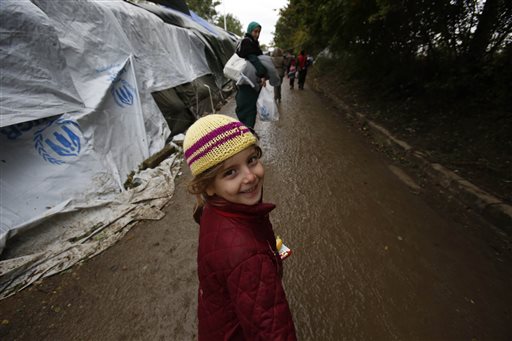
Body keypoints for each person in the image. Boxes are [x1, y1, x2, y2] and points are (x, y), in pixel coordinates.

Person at [184, 114, 297, 340]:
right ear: (208, 187)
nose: (250, 177)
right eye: (230, 172)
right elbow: (272, 331)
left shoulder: (216, 209)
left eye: (252, 160)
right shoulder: (249, 258)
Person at [235, 22, 268, 129]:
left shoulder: (253, 43)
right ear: (250, 31)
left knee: (248, 107)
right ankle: (246, 132)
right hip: (247, 81)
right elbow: (254, 59)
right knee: (247, 108)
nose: (257, 34)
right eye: (255, 31)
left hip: (250, 80)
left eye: (259, 32)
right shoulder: (246, 42)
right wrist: (262, 74)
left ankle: (246, 131)